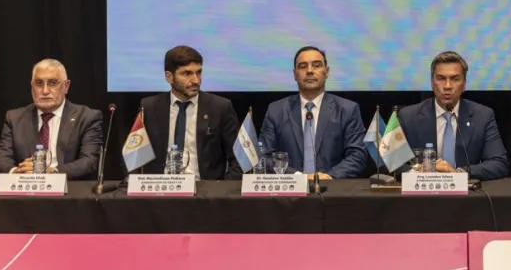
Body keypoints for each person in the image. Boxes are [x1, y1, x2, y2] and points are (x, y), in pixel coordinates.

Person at [398, 51, 509, 180]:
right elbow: (390, 163)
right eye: (441, 78)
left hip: (465, 192)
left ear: (464, 85)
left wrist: (458, 173)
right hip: (424, 190)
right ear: (432, 83)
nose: (447, 86)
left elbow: (499, 163)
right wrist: (418, 171)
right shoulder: (408, 117)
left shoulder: (482, 116)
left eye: (455, 79)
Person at [260, 46, 366, 179]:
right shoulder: (276, 110)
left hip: (332, 188)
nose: (310, 71)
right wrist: (298, 177)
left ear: (326, 72)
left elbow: (357, 156)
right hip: (290, 188)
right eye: (303, 66)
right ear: (295, 74)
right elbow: (264, 156)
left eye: (316, 65)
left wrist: (329, 176)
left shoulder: (347, 109)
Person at [140, 46, 241, 179]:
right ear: (169, 77)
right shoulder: (149, 107)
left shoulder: (220, 107)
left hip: (204, 188)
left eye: (198, 72)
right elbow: (134, 155)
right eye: (187, 73)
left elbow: (239, 159)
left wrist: (223, 189)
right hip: (160, 186)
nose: (196, 80)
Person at [0, 59, 103, 179]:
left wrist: (50, 172)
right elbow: (1, 162)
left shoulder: (86, 117)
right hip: (26, 186)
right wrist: (19, 172)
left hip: (68, 187)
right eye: (39, 84)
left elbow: (89, 161)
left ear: (66, 86)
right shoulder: (14, 118)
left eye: (52, 83)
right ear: (32, 87)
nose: (45, 91)